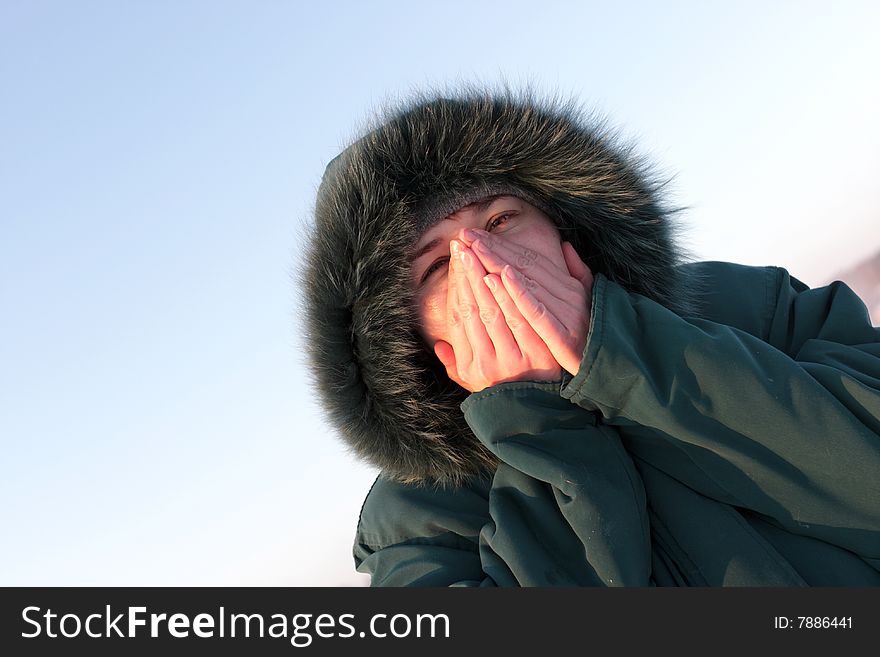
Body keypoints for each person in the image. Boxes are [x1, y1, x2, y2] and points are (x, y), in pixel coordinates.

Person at [301, 87, 880, 586]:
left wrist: (623, 351)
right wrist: (535, 421)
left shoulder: (749, 307)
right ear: (408, 333)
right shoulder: (417, 522)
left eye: (501, 220)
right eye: (437, 266)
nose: (492, 263)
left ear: (563, 230)